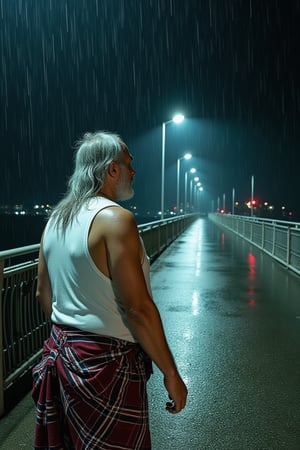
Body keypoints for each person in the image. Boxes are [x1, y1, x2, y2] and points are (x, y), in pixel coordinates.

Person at [32, 131, 187, 449]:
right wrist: (170, 372)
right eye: (129, 164)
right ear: (111, 169)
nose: (133, 171)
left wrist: (74, 332)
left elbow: (42, 295)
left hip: (63, 357)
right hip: (108, 366)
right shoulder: (116, 220)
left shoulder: (56, 220)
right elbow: (138, 309)